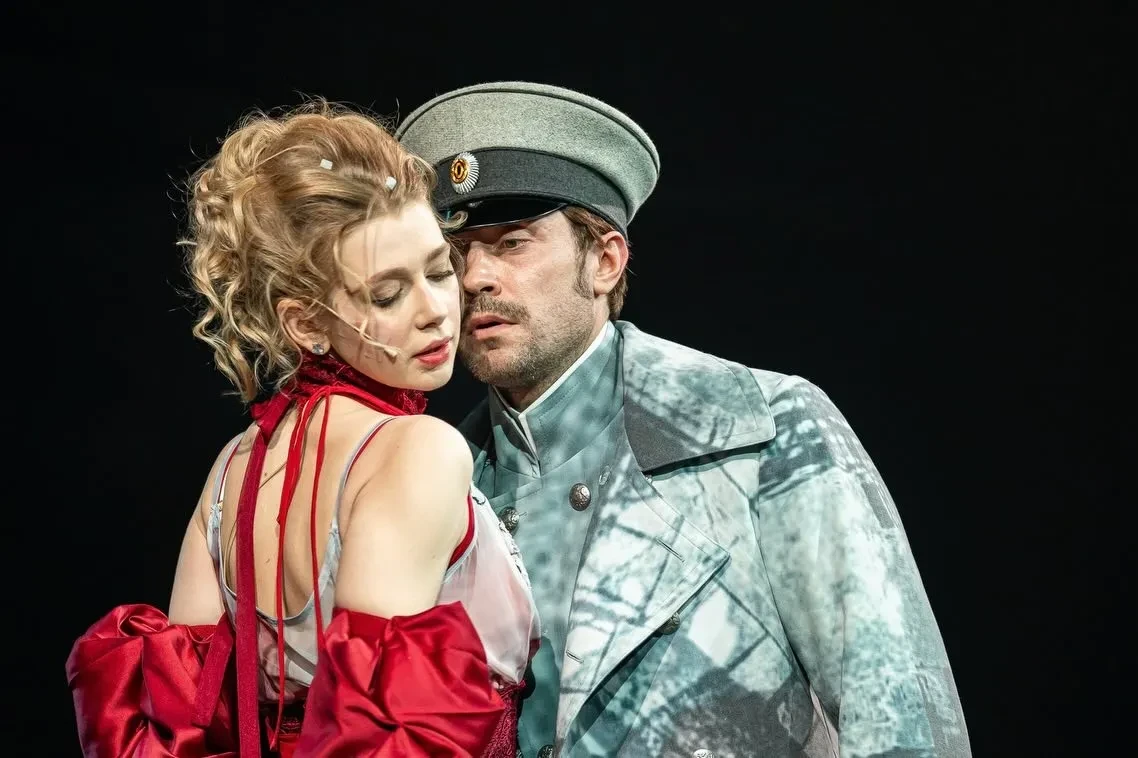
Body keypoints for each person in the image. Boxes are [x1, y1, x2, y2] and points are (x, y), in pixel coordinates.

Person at [396, 81, 972, 758]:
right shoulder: (431, 486)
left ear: (604, 261)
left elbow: (904, 725)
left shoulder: (761, 432)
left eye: (512, 243)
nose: (473, 278)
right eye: (455, 255)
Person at [65, 100, 539, 757]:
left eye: (438, 270)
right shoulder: (417, 450)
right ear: (306, 323)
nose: (436, 310)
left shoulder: (233, 466)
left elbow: (175, 723)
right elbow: (384, 737)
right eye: (387, 294)